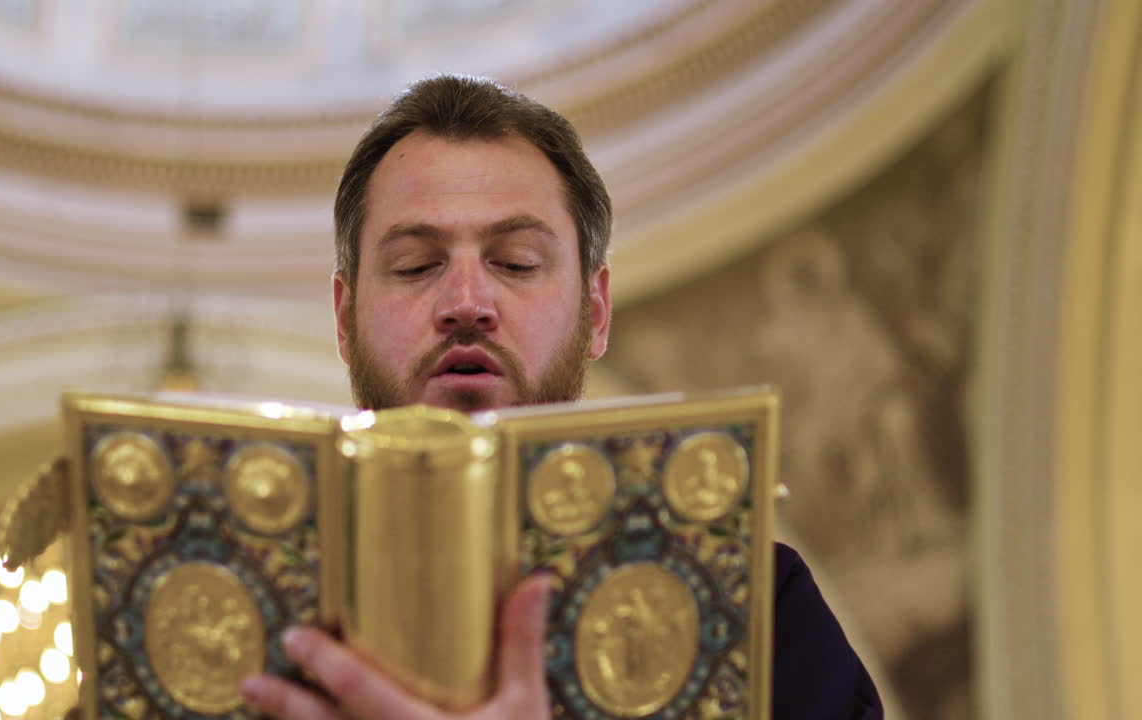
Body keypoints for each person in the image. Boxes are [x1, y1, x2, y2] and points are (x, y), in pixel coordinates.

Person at [239, 75, 883, 720]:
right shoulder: (239, 605)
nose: (467, 303)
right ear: (345, 317)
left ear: (596, 311)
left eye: (516, 262)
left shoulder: (751, 606)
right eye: (414, 266)